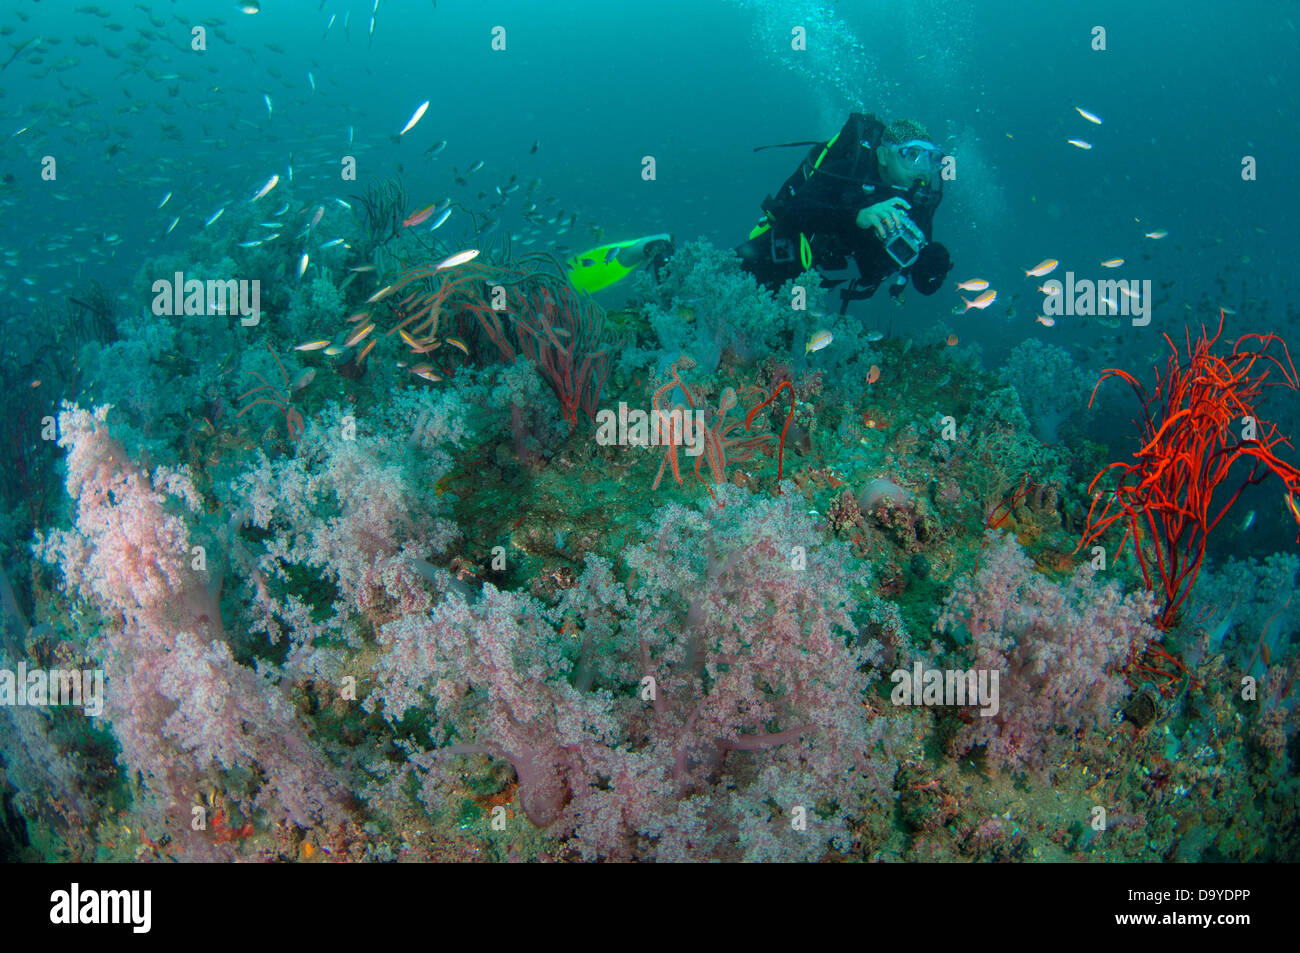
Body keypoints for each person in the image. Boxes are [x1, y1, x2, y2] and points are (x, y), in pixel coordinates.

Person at [737, 113, 953, 312]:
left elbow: (923, 283)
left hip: (816, 283)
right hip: (777, 256)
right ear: (883, 156)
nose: (922, 167)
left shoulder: (919, 199)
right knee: (725, 281)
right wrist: (856, 217)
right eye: (912, 154)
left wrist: (932, 264)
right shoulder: (848, 171)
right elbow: (795, 211)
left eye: (931, 158)